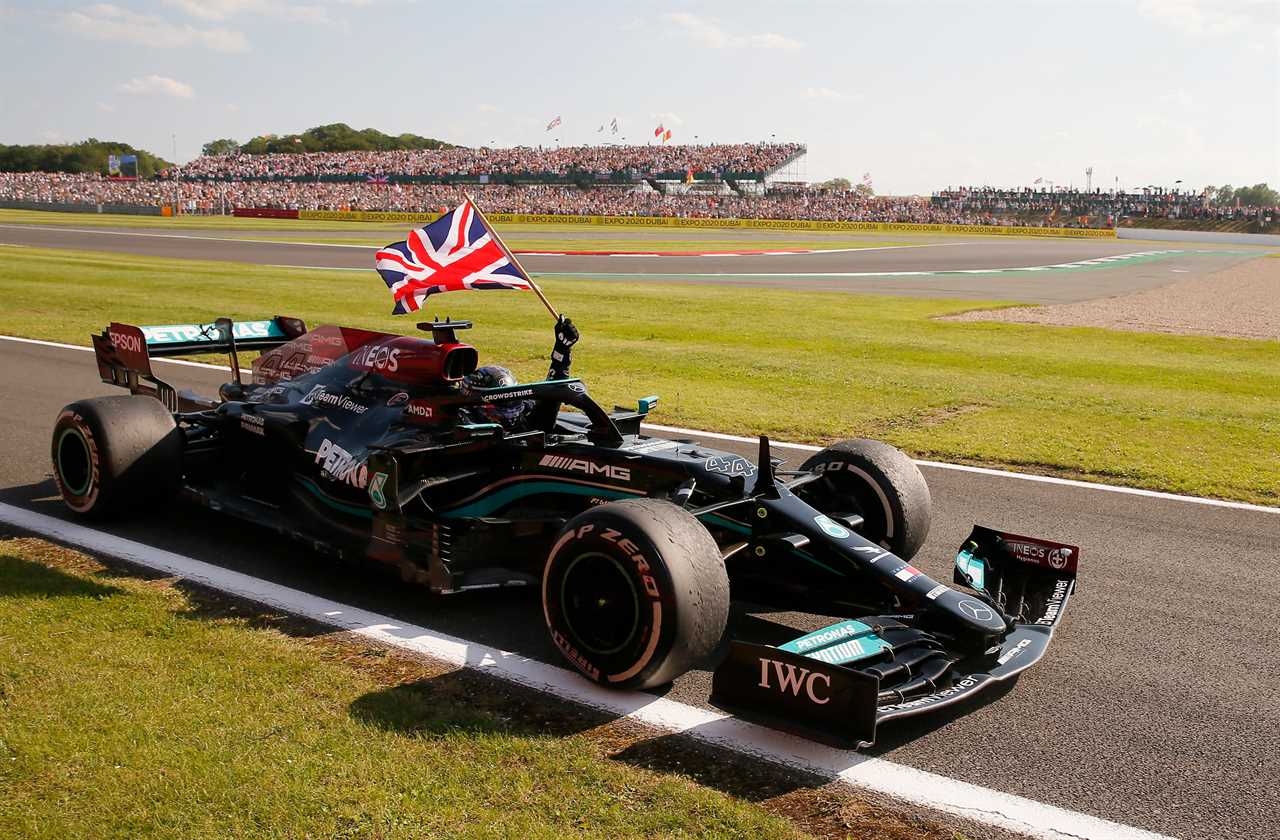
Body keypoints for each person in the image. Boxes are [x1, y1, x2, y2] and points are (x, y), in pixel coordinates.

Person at [460, 315, 579, 430]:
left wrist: (562, 351)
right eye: (500, 414)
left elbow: (551, 399)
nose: (510, 419)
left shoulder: (523, 408)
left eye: (513, 411)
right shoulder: (460, 422)